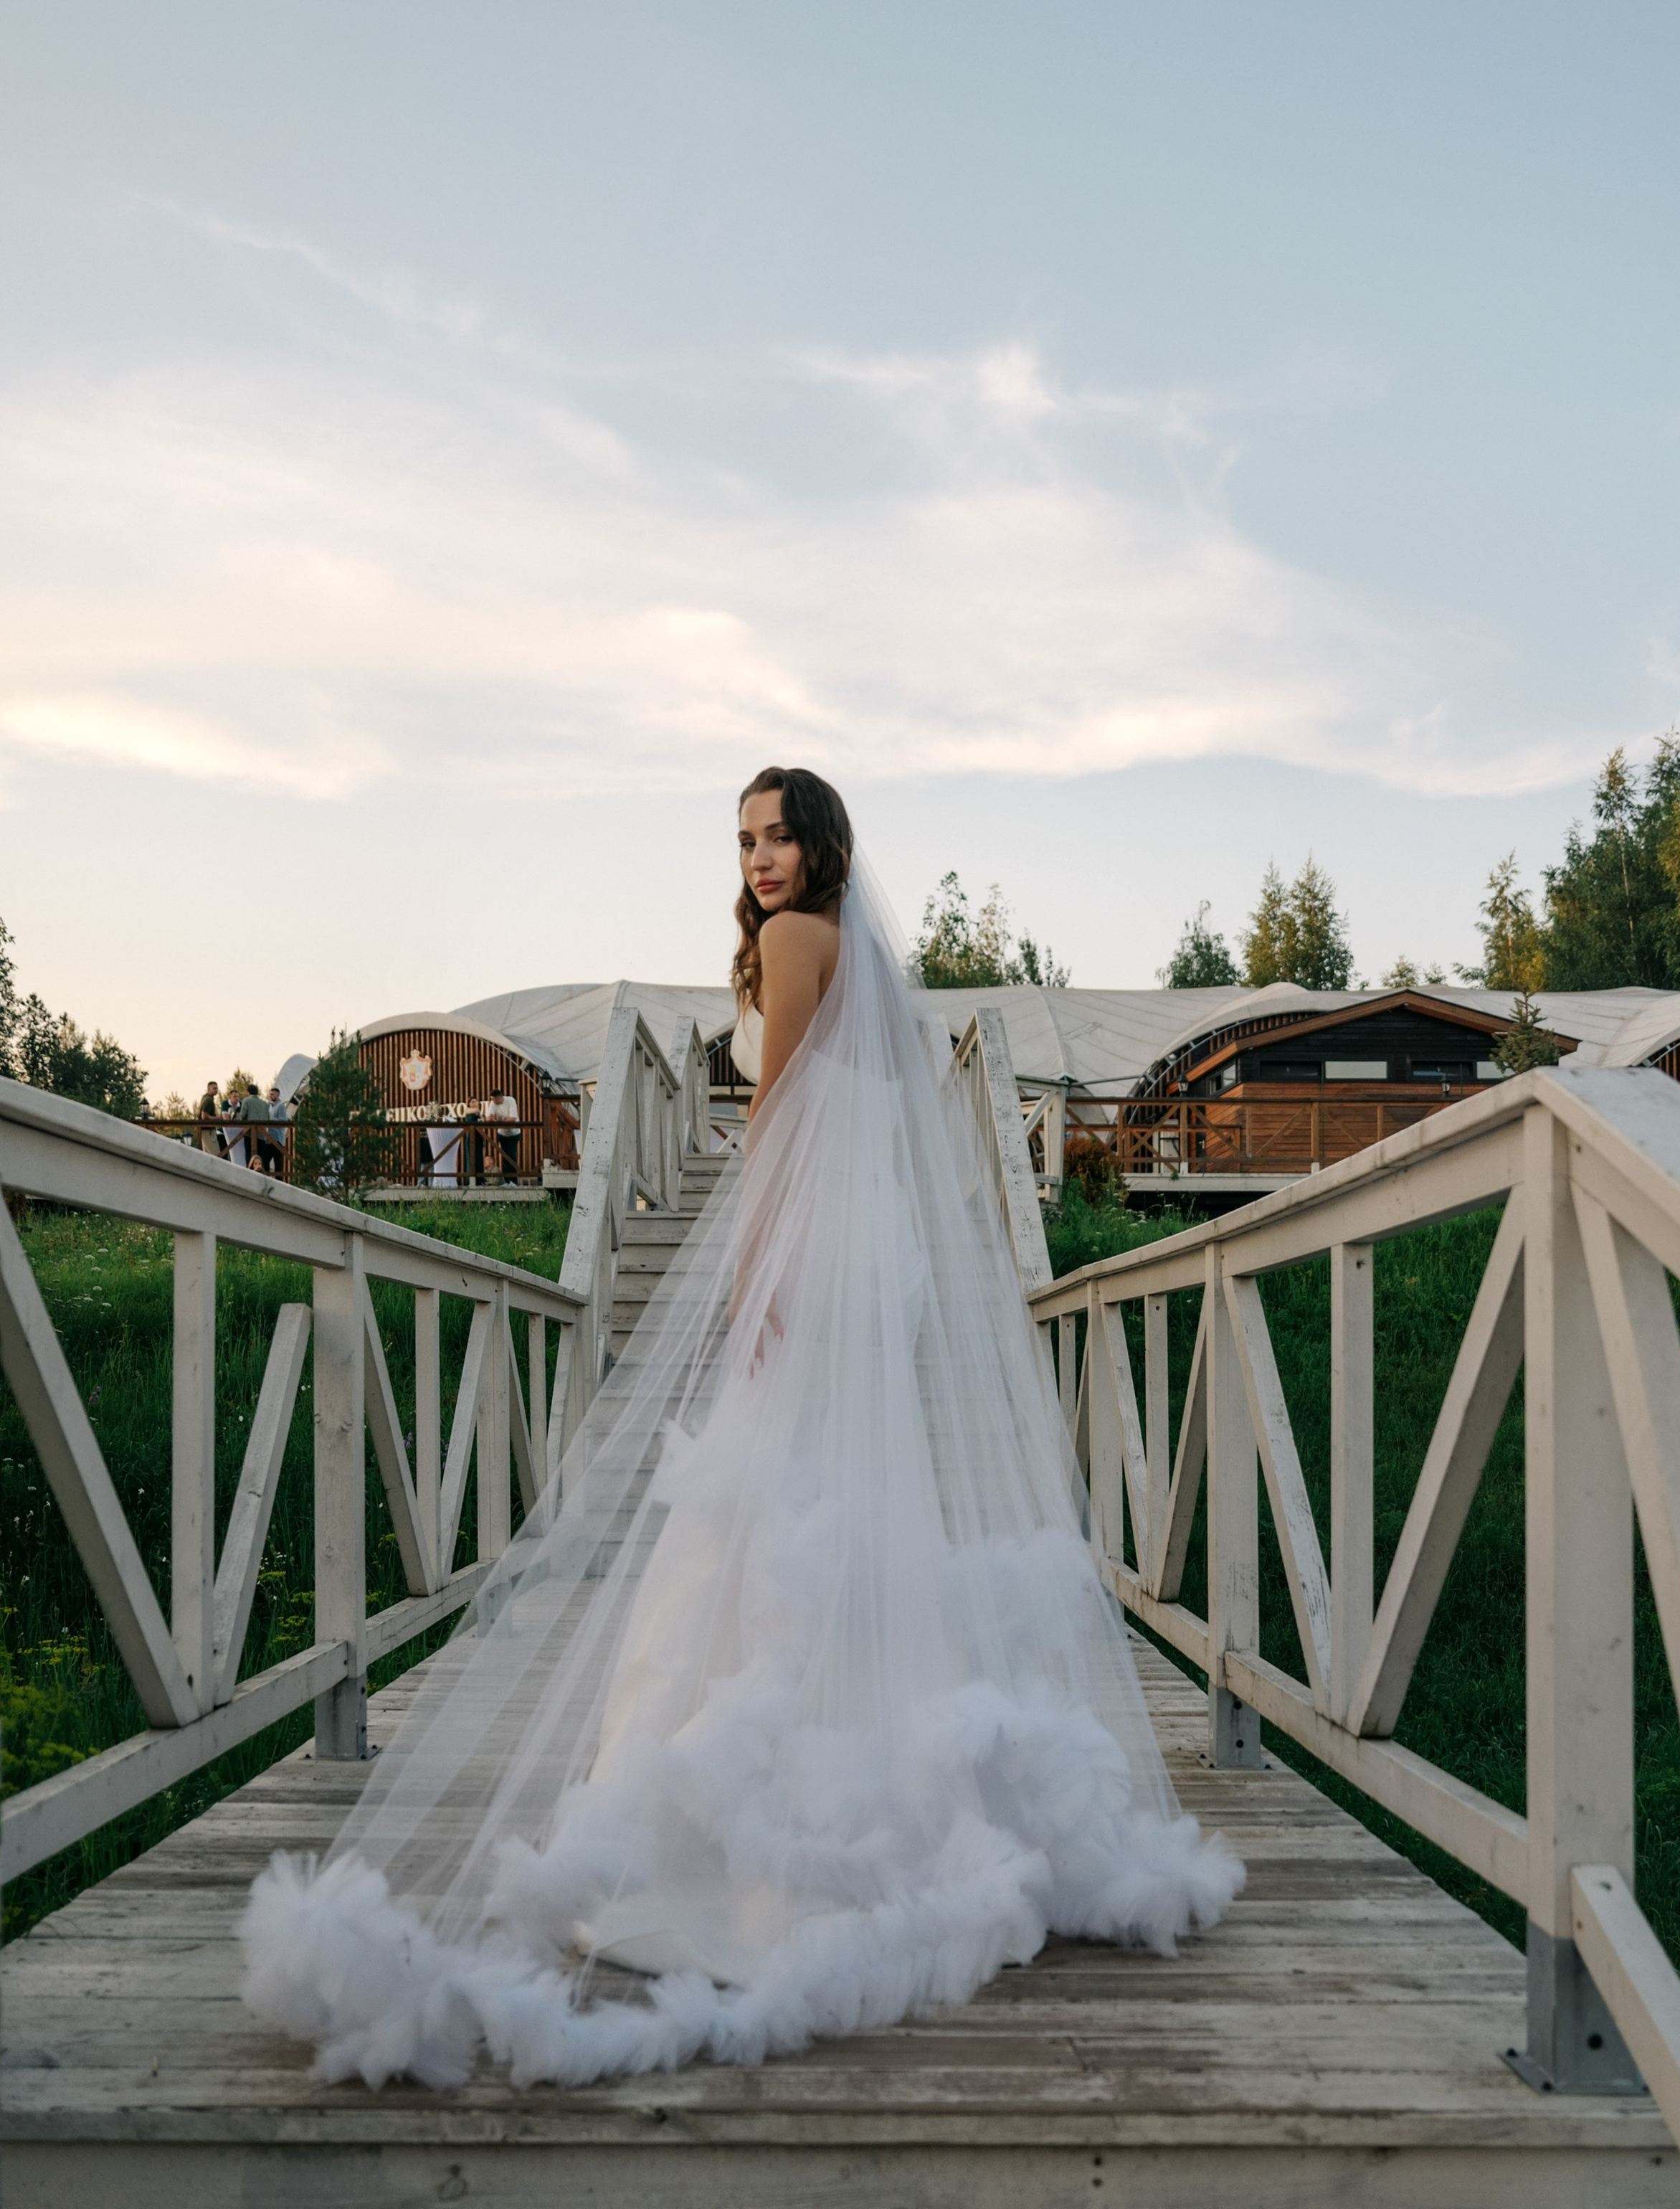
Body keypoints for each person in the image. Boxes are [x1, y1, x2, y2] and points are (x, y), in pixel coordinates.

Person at [242, 766, 1239, 2086]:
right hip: (871, 1249)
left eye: (779, 836)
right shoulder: (865, 959)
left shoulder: (789, 941)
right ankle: (857, 1775)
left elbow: (775, 1123)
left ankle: (728, 1838)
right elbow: (866, 1118)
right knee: (837, 1488)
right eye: (746, 839)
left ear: (821, 843)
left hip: (812, 1242)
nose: (761, 858)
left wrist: (756, 1264)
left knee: (764, 1490)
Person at [484, 1087, 521, 1183]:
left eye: (494, 1099)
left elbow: (513, 1118)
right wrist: (492, 1119)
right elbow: (488, 1118)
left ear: (499, 1097)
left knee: (512, 1156)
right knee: (505, 1157)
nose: (493, 1102)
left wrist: (499, 1121)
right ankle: (507, 1181)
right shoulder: (493, 1103)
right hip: (502, 1133)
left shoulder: (510, 1101)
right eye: (492, 1100)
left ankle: (514, 1181)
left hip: (514, 1133)